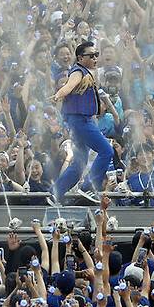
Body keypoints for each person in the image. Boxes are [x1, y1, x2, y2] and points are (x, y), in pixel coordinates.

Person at [50, 41, 113, 202]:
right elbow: (68, 86)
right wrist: (58, 95)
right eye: (91, 55)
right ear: (80, 58)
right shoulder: (78, 71)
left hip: (81, 121)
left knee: (80, 163)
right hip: (81, 121)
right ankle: (90, 187)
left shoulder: (86, 72)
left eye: (96, 55)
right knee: (106, 151)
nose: (95, 58)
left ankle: (56, 192)